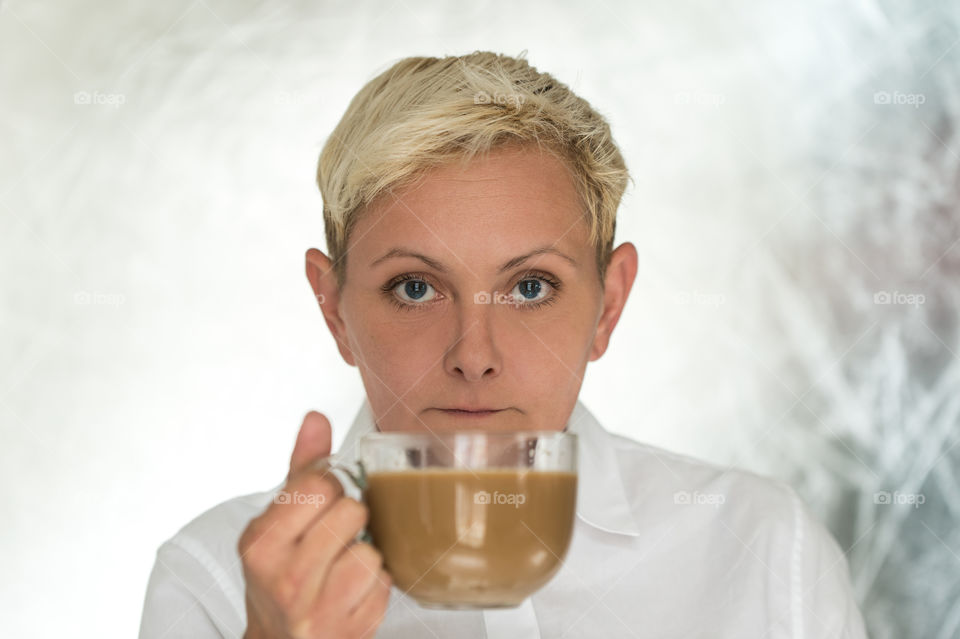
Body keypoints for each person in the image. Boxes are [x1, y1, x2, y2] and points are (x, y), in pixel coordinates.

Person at [138, 50, 869, 638]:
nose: (473, 354)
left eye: (529, 287)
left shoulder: (765, 548)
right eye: (416, 287)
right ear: (333, 308)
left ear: (608, 304)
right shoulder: (214, 582)